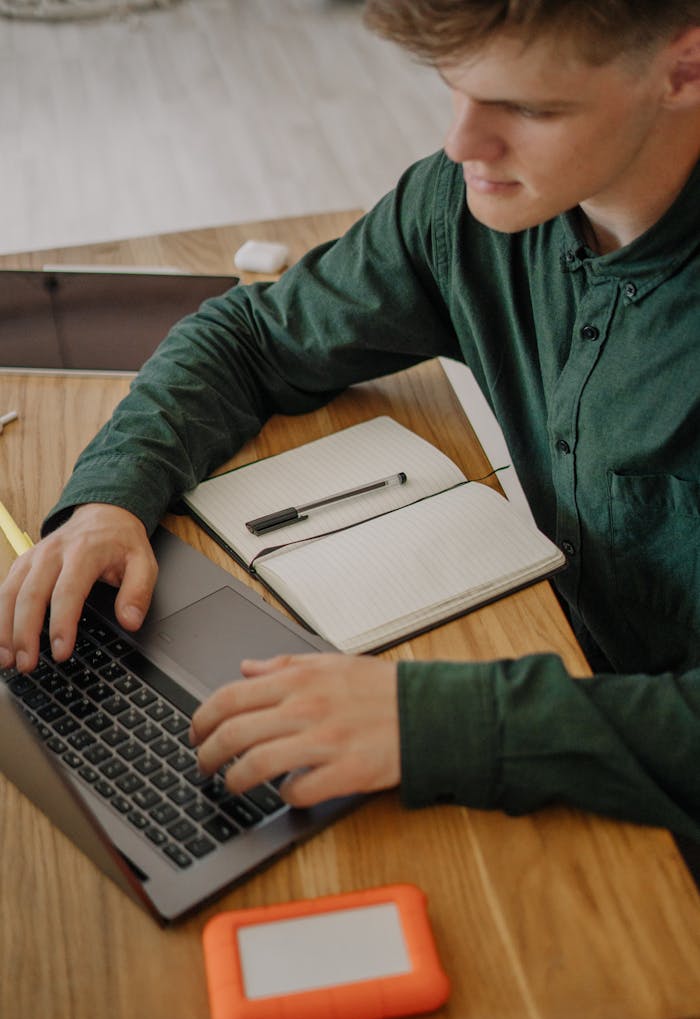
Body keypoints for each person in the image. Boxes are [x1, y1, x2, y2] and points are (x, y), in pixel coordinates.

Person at [1, 0, 699, 839]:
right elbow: (253, 336)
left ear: (683, 68)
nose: (462, 144)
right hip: (568, 695)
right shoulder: (472, 204)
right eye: (454, 89)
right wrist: (112, 497)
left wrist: (425, 722)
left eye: (528, 108)